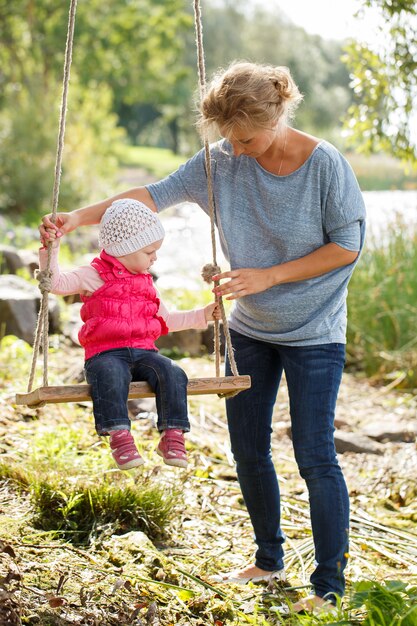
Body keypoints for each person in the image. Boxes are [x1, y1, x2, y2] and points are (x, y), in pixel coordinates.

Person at [40, 61, 366, 614]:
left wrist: (267, 275)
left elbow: (347, 246)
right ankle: (268, 561)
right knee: (247, 450)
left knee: (314, 454)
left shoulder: (324, 165)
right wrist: (76, 218)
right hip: (250, 330)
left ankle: (329, 585)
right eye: (227, 140)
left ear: (278, 116)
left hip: (315, 332)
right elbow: (148, 196)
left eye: (245, 139)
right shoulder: (220, 162)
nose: (235, 151)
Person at [39, 198, 220, 471]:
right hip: (105, 354)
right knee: (111, 375)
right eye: (149, 252)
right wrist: (51, 249)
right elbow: (54, 283)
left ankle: (172, 435)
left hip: (144, 352)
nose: (154, 258)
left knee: (172, 372)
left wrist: (203, 315)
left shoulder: (147, 283)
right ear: (125, 249)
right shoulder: (93, 275)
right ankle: (120, 437)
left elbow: (167, 319)